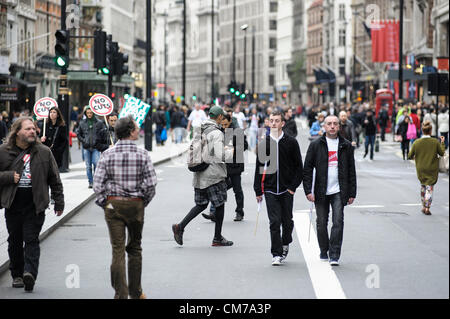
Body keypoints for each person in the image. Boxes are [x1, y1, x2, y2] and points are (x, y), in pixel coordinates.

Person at [93, 115, 157, 299]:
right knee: (135, 248)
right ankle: (136, 292)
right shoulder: (142, 154)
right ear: (130, 131)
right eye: (137, 128)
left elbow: (98, 184)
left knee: (118, 249)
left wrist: (105, 203)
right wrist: (143, 201)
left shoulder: (107, 154)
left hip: (113, 203)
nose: (139, 130)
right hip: (136, 203)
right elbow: (151, 183)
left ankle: (121, 294)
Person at [0, 117, 64, 292]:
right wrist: (7, 176)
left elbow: (54, 178)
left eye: (34, 129)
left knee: (31, 239)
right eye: (27, 129)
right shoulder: (4, 151)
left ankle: (29, 273)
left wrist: (59, 201)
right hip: (13, 203)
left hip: (35, 203)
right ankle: (17, 274)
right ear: (17, 131)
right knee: (14, 240)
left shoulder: (43, 151)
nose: (32, 131)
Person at [172, 106, 234, 247]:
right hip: (213, 174)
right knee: (219, 205)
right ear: (219, 117)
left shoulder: (199, 129)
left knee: (201, 204)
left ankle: (180, 227)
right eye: (222, 117)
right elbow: (220, 155)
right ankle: (217, 238)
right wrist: (230, 153)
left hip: (199, 172)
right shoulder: (217, 133)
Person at [303, 115, 357, 266]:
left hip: (339, 190)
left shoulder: (346, 145)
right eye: (329, 124)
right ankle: (323, 249)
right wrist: (308, 190)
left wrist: (352, 192)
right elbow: (307, 169)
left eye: (335, 124)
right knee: (321, 222)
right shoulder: (315, 145)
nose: (332, 126)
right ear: (324, 127)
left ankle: (334, 254)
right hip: (320, 190)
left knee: (338, 221)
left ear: (339, 127)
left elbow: (351, 170)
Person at [254, 110, 303, 266]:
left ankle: (286, 241)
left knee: (287, 221)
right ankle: (276, 253)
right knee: (274, 222)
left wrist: (292, 187)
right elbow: (259, 168)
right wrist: (258, 190)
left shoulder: (291, 142)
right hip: (269, 189)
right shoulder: (264, 144)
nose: (273, 123)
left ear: (283, 123)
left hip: (286, 189)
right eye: (271, 120)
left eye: (277, 120)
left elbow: (299, 168)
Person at [202, 112, 249, 222]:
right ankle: (213, 212)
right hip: (224, 165)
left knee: (237, 190)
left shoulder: (238, 132)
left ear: (230, 122)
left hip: (235, 165)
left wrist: (233, 149)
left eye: (226, 125)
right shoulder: (219, 132)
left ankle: (239, 212)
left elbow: (245, 146)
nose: (224, 127)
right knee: (218, 189)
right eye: (222, 125)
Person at [408, 121, 446, 216]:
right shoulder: (435, 142)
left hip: (421, 168)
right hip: (432, 168)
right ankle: (427, 207)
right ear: (430, 131)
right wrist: (442, 143)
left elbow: (409, 155)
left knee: (423, 186)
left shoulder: (417, 142)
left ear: (422, 130)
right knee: (429, 188)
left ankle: (423, 206)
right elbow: (442, 153)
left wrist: (417, 157)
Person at [77, 106, 102, 188]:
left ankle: (96, 181)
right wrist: (84, 141)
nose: (89, 114)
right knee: (88, 166)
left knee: (96, 163)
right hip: (86, 147)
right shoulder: (82, 122)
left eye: (91, 113)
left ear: (93, 113)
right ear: (85, 114)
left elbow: (103, 133)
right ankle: (90, 182)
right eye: (88, 113)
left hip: (96, 147)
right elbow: (78, 134)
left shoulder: (99, 122)